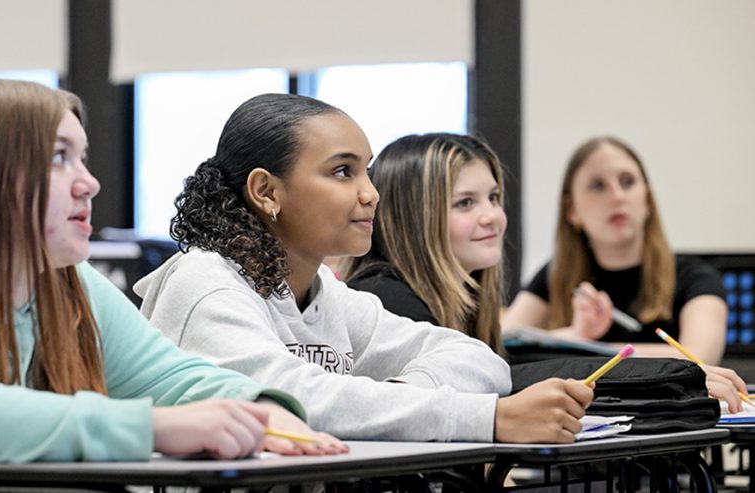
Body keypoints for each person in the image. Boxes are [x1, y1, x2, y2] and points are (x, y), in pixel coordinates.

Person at [0, 80, 346, 463]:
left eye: (81, 158)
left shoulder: (70, 282)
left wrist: (256, 406)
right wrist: (152, 427)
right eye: (58, 158)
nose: (89, 183)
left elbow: (169, 377)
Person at [135, 93, 593, 444]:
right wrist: (485, 418)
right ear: (266, 191)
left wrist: (400, 397)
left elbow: (480, 360)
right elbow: (286, 403)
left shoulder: (323, 294)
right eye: (342, 172)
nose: (370, 193)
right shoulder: (205, 283)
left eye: (367, 172)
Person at [502, 135, 746, 411]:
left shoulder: (697, 277)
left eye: (627, 182)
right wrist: (576, 333)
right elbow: (503, 348)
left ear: (648, 200)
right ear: (572, 210)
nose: (617, 197)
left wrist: (586, 350)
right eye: (597, 186)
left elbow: (700, 359)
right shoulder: (554, 276)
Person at [341, 133, 505, 355]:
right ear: (414, 218)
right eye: (465, 203)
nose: (492, 216)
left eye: (493, 198)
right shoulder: (388, 304)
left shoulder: (464, 297)